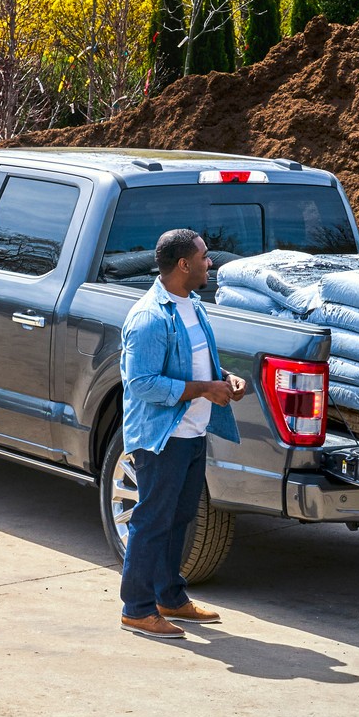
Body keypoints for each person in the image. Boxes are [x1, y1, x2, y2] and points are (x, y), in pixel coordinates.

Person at [119, 228, 247, 639]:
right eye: (204, 256)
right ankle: (136, 609)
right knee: (152, 521)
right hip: (162, 437)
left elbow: (194, 362)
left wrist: (225, 377)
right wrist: (205, 389)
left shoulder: (193, 306)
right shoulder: (149, 318)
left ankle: (170, 598)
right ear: (183, 264)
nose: (211, 262)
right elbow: (142, 383)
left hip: (192, 432)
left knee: (180, 518)